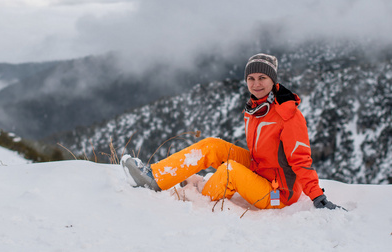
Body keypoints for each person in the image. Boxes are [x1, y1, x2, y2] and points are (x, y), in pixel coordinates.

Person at [121, 53, 341, 210]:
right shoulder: (255, 108)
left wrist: (317, 196)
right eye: (251, 78)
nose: (256, 84)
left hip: (279, 193)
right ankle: (155, 178)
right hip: (260, 170)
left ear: (273, 81)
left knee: (230, 171)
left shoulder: (288, 115)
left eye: (262, 78)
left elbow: (301, 160)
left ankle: (197, 194)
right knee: (212, 146)